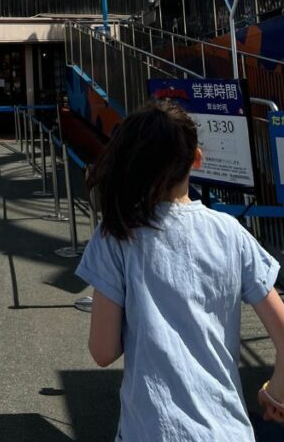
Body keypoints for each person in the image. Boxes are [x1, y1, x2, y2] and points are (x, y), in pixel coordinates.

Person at [77, 101, 284, 441]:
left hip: (150, 429)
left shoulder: (116, 235)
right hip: (227, 431)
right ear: (197, 159)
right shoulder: (230, 232)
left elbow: (103, 351)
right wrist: (276, 393)